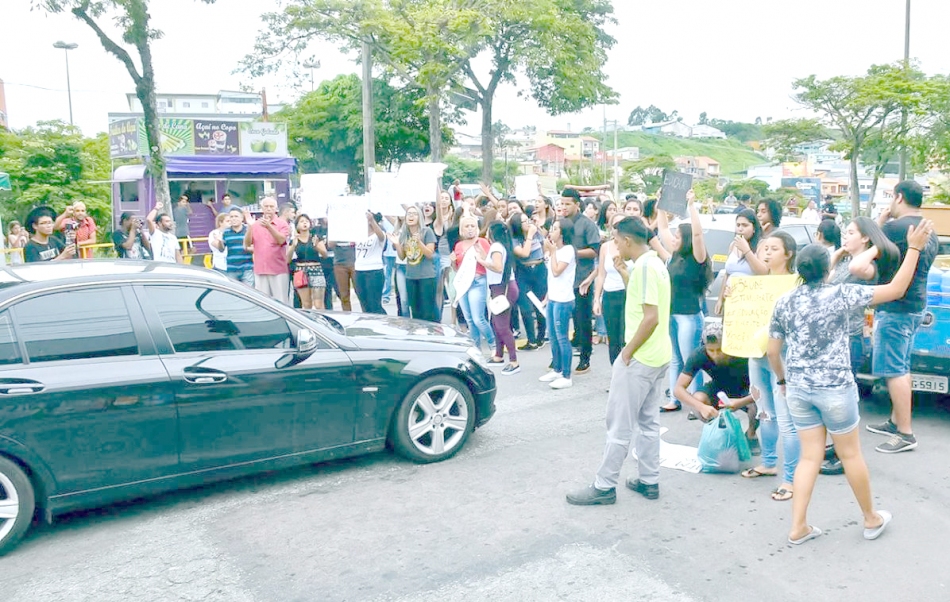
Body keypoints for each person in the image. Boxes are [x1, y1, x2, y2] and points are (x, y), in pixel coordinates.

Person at [768, 221, 934, 545]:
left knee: (808, 458)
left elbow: (773, 350)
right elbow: (897, 290)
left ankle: (798, 526)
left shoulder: (784, 302)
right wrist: (913, 249)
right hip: (835, 388)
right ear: (827, 269)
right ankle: (871, 518)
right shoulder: (842, 294)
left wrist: (783, 379)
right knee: (851, 455)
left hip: (799, 388)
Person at [565, 217, 671, 505]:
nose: (613, 245)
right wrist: (625, 273)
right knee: (648, 421)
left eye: (615, 239)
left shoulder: (648, 267)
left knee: (619, 425)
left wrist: (626, 353)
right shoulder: (653, 264)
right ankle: (649, 480)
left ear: (626, 240)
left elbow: (651, 317)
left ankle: (604, 485)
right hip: (658, 355)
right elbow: (641, 300)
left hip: (642, 357)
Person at [820, 216, 899, 475]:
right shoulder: (846, 260)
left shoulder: (867, 266)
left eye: (851, 232)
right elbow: (826, 278)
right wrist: (841, 250)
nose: (845, 236)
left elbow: (856, 268)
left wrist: (878, 244)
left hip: (851, 339)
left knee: (843, 401)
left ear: (865, 238)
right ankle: (838, 446)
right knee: (835, 398)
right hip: (835, 338)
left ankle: (846, 454)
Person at [866, 180, 940, 453]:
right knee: (902, 366)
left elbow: (865, 247)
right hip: (916, 305)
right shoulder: (928, 229)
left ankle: (906, 433)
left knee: (894, 370)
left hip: (895, 306)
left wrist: (880, 222)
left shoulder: (894, 228)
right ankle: (896, 420)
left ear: (898, 197)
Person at [742, 231, 800, 500]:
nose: (766, 253)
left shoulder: (797, 283)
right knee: (765, 412)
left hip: (782, 356)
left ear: (788, 253)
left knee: (787, 420)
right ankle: (768, 462)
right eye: (764, 248)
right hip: (756, 354)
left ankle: (791, 479)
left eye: (773, 249)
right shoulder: (754, 285)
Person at [656, 191, 712, 412]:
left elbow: (698, 235)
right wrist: (661, 205)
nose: (674, 238)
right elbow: (662, 230)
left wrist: (691, 205)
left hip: (689, 316)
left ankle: (696, 402)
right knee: (676, 360)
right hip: (671, 314)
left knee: (691, 361)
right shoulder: (674, 256)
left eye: (678, 236)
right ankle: (675, 399)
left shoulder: (697, 258)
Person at [672, 321, 752, 424]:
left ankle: (751, 434)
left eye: (719, 350)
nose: (715, 354)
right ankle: (716, 428)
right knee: (698, 400)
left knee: (757, 407)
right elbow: (678, 389)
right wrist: (702, 407)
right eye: (711, 350)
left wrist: (741, 402)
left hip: (746, 388)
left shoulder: (742, 353)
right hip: (719, 387)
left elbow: (764, 389)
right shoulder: (699, 354)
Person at [559, 188, 600, 375]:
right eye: (562, 203)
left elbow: (594, 251)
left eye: (568, 204)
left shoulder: (587, 224)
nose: (564, 207)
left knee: (583, 320)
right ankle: (561, 356)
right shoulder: (559, 223)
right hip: (563, 278)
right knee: (562, 319)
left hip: (582, 278)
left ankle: (586, 357)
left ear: (577, 204)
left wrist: (572, 253)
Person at [477, 221, 520, 375]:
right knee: (496, 323)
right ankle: (498, 355)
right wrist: (483, 254)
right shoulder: (501, 246)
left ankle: (514, 361)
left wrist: (481, 261)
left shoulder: (496, 247)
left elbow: (498, 267)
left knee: (502, 326)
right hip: (504, 287)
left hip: (502, 288)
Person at [538, 219, 576, 389]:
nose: (551, 232)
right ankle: (557, 369)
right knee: (553, 336)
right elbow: (551, 278)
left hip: (564, 299)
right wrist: (547, 296)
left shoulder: (567, 250)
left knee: (562, 337)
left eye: (555, 229)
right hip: (553, 297)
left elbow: (556, 271)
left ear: (562, 233)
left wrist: (552, 252)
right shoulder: (557, 251)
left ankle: (567, 375)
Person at [592, 213, 630, 366]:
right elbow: (601, 274)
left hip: (628, 294)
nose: (618, 230)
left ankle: (628, 375)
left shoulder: (631, 246)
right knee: (613, 339)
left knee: (626, 337)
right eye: (615, 226)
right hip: (610, 294)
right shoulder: (605, 247)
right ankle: (616, 375)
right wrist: (597, 299)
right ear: (610, 228)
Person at [452, 215, 494, 351]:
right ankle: (476, 349)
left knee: (478, 318)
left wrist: (481, 253)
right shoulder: (458, 245)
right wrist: (453, 261)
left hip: (478, 280)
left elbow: (490, 262)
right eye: (467, 226)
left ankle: (493, 344)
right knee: (469, 319)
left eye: (472, 226)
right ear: (461, 230)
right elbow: (458, 269)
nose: (470, 229)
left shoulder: (482, 242)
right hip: (464, 283)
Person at [394, 205, 438, 322]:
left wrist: (419, 242)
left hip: (426, 276)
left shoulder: (426, 232)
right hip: (410, 276)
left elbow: (430, 254)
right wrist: (397, 245)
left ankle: (431, 335)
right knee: (415, 311)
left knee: (427, 311)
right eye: (409, 214)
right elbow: (402, 257)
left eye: (414, 214)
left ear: (419, 217)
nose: (411, 216)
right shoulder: (404, 233)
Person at [509, 212, 547, 351]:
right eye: (525, 221)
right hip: (523, 271)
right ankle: (531, 340)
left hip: (539, 269)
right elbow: (524, 253)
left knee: (540, 304)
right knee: (525, 307)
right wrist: (530, 235)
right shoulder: (514, 239)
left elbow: (545, 247)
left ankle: (541, 337)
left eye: (528, 220)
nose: (529, 223)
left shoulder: (537, 233)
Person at [244, 196, 291, 303]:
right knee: (263, 302)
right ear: (262, 208)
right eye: (266, 206)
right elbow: (246, 245)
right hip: (260, 269)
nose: (269, 209)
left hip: (278, 269)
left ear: (276, 208)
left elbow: (281, 240)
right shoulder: (255, 224)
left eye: (271, 206)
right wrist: (250, 227)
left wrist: (269, 226)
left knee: (281, 301)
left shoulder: (282, 224)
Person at [287, 214, 328, 310]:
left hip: (316, 270)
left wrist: (316, 245)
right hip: (300, 271)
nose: (304, 223)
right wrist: (293, 246)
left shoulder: (316, 238)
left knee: (319, 303)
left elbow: (325, 254)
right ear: (297, 226)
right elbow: (287, 259)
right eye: (301, 221)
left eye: (306, 221)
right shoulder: (294, 241)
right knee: (306, 303)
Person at [354, 211, 387, 314]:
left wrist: (372, 220)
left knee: (374, 305)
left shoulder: (379, 234)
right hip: (359, 270)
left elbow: (381, 237)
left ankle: (383, 325)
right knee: (365, 304)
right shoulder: (357, 233)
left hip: (374, 271)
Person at [217, 207, 254, 285]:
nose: (233, 219)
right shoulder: (225, 232)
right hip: (232, 268)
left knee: (248, 292)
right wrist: (220, 241)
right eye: (231, 217)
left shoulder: (248, 230)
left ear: (242, 218)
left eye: (236, 216)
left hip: (247, 267)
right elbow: (221, 249)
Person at [330, 241, 357, 311]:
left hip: (356, 261)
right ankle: (348, 316)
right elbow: (330, 244)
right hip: (340, 263)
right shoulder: (335, 230)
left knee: (360, 292)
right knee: (344, 295)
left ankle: (366, 314)